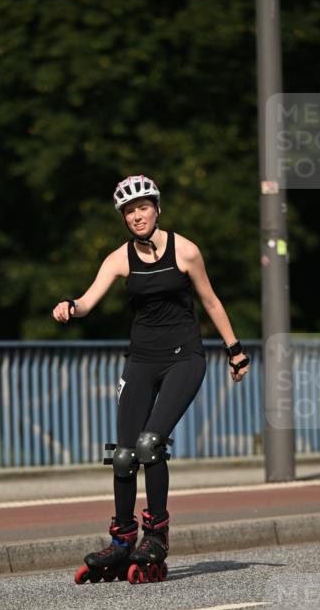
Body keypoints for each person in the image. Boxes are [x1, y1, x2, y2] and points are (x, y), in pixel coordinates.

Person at [52, 174, 250, 583]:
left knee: (150, 443)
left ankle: (155, 535)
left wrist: (235, 350)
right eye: (129, 210)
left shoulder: (186, 251)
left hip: (184, 357)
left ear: (157, 209)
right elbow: (89, 300)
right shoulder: (119, 259)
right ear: (123, 218)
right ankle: (123, 539)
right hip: (141, 359)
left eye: (143, 207)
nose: (137, 215)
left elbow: (210, 300)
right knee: (123, 452)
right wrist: (71, 306)